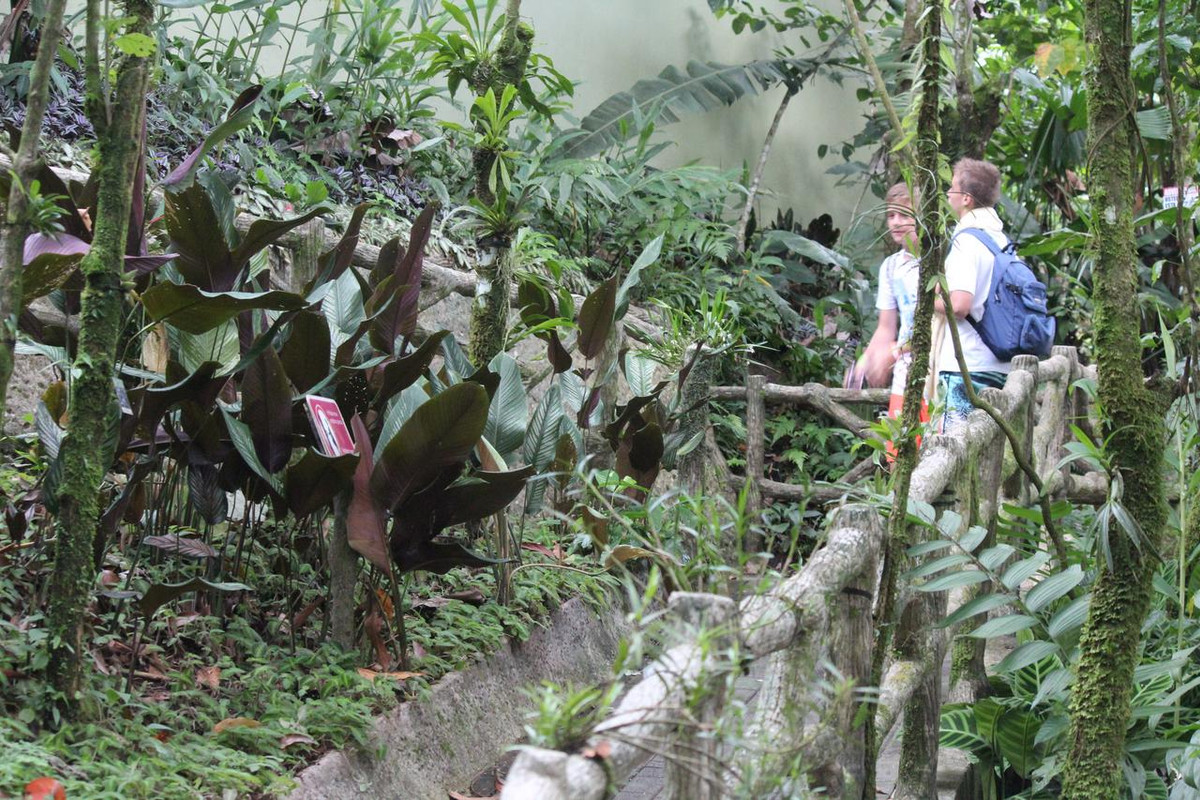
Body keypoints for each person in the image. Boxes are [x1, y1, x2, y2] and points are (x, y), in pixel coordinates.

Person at [935, 157, 1012, 431]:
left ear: (966, 198)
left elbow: (959, 304)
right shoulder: (1000, 240)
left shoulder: (968, 240)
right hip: (999, 364)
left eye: (952, 188)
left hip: (968, 366)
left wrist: (929, 301)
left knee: (952, 456)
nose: (948, 194)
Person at [861, 182, 929, 453]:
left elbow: (938, 326)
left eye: (904, 214)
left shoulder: (937, 261)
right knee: (899, 454)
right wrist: (866, 360)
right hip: (904, 373)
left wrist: (894, 352)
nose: (896, 223)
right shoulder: (890, 266)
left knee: (934, 456)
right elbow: (886, 327)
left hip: (938, 372)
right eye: (891, 215)